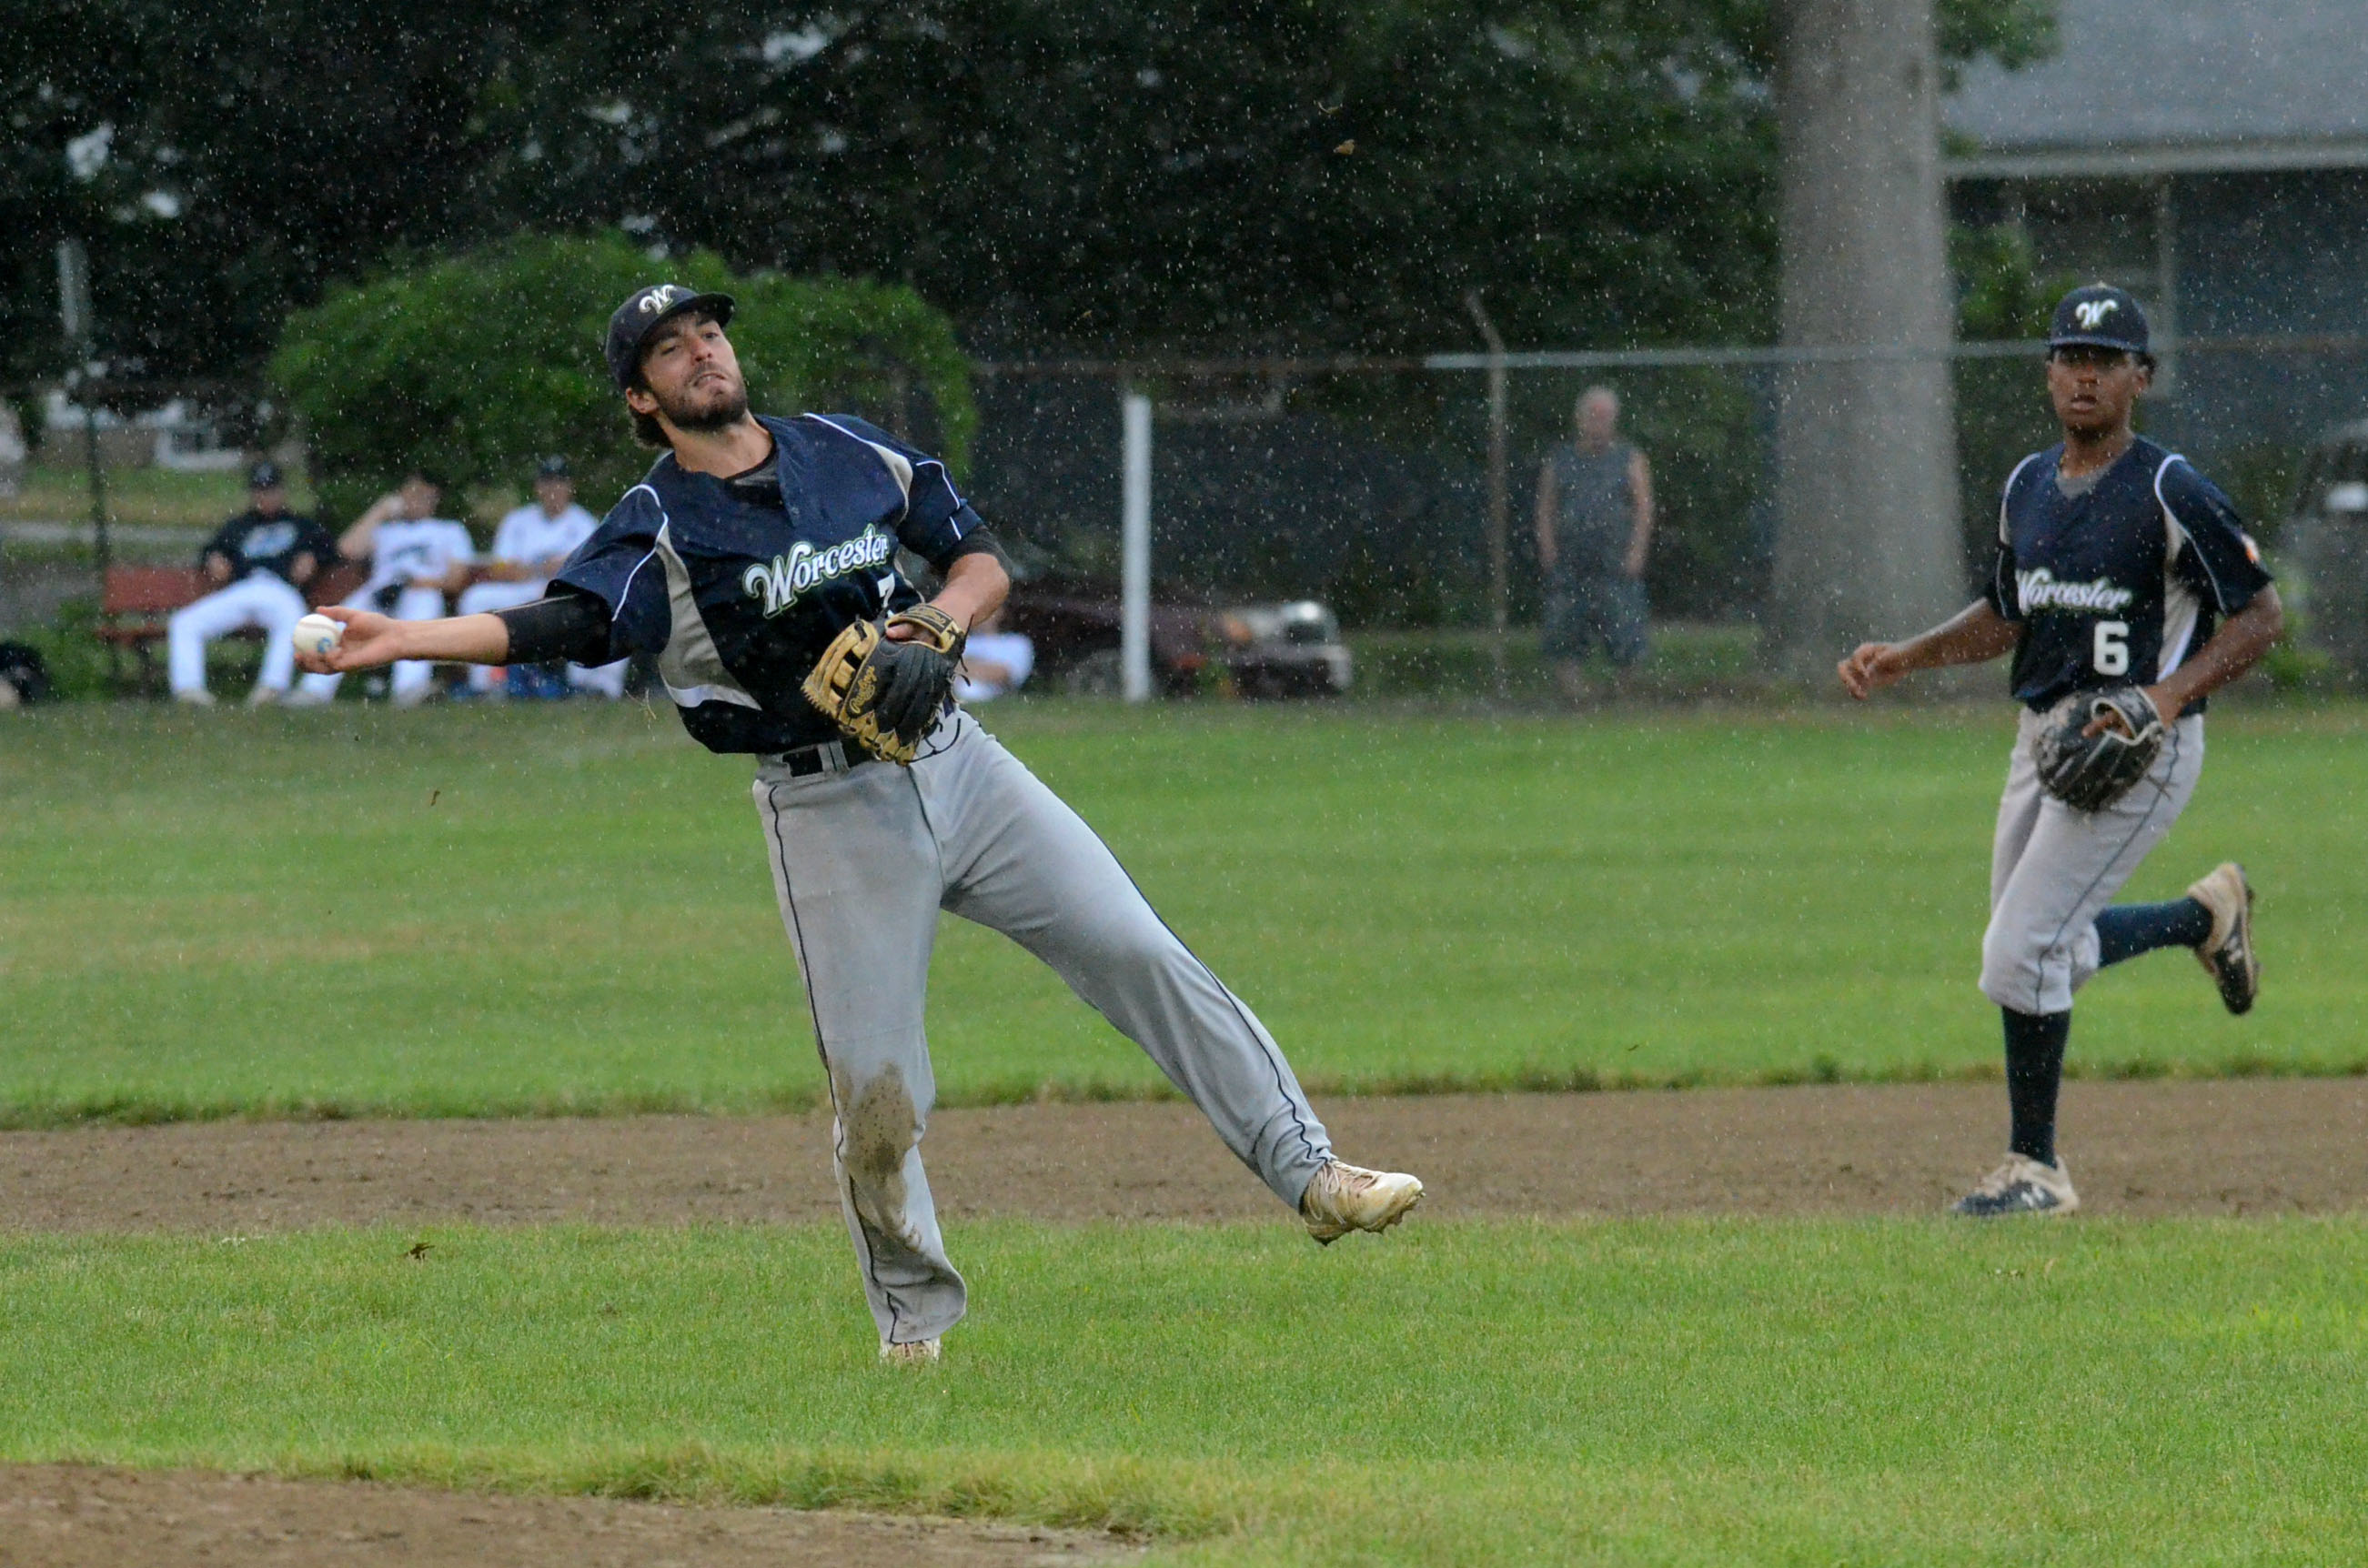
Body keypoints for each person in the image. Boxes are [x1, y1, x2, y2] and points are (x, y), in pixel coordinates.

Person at [295, 283, 1424, 1360]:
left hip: (959, 765)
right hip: (825, 807)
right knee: (879, 1095)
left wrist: (935, 622)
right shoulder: (661, 522)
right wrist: (405, 639)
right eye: (670, 348)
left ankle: (1311, 1173)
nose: (701, 352)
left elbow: (978, 558)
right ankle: (914, 1323)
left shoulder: (846, 450)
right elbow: (571, 622)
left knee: (1137, 948)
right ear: (641, 396)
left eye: (707, 333)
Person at [1838, 284, 2282, 1218]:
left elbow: (2260, 615)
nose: (2083, 375)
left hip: (2136, 744)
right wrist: (1907, 656)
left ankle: (2035, 1168)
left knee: (2017, 954)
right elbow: (2006, 613)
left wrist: (2160, 701)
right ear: (2047, 374)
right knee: (2039, 954)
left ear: (2137, 378)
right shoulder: (2026, 485)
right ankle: (2200, 917)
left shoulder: (2168, 487)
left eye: (2104, 360)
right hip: (2043, 739)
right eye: (2068, 358)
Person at [287, 470, 474, 708]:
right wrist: (380, 511)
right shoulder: (386, 530)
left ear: (434, 500)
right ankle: (313, 690)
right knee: (340, 619)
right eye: (410, 493)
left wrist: (412, 583)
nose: (414, 500)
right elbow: (346, 550)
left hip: (422, 590)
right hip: (380, 591)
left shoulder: (449, 530)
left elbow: (456, 579)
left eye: (422, 496)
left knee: (421, 609)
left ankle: (409, 690)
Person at [166, 461, 336, 707]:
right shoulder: (238, 527)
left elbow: (331, 551)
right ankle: (189, 690)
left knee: (292, 620)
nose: (265, 496)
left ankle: (271, 688)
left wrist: (313, 559)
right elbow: (211, 551)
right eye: (260, 490)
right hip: (243, 589)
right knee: (184, 622)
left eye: (271, 489)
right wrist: (214, 558)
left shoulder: (301, 525)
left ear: (282, 491)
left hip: (281, 589)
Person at [454, 456, 626, 699]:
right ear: (537, 487)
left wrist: (545, 569)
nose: (553, 489)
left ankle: (592, 686)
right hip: (522, 588)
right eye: (547, 482)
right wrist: (544, 567)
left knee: (607, 604)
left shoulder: (583, 522)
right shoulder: (518, 521)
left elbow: (590, 570)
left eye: (559, 482)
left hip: (564, 591)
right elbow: (501, 568)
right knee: (476, 598)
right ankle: (485, 685)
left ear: (570, 487)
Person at [1535, 387, 1654, 699]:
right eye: (1594, 416)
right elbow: (1546, 508)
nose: (1599, 424)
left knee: (1626, 629)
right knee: (1564, 629)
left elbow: (1643, 508)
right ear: (1579, 419)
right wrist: (1548, 548)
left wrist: (1637, 550)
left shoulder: (1630, 458)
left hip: (1615, 560)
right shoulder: (1559, 460)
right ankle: (1576, 696)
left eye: (1606, 417)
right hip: (1571, 560)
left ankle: (1620, 693)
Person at [951, 606, 1034, 701]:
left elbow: (1004, 675)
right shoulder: (955, 642)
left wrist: (961, 666)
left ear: (1000, 611)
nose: (980, 614)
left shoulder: (1017, 643)